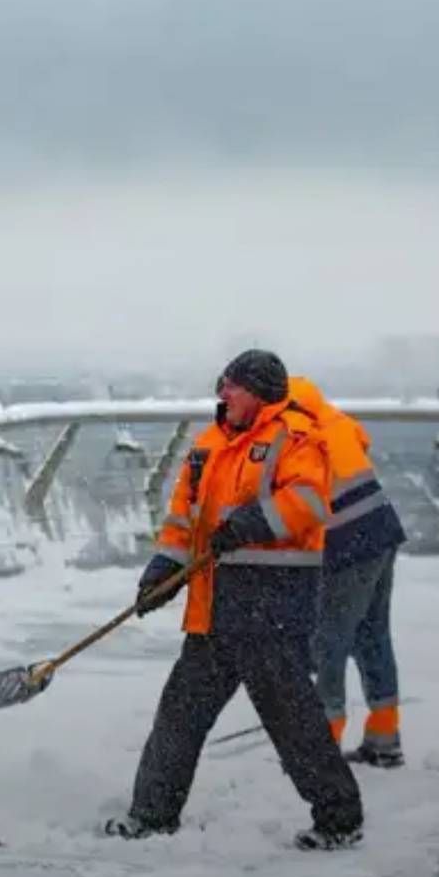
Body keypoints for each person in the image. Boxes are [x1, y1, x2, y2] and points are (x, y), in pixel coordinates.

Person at [107, 349, 364, 850]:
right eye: (222, 384)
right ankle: (152, 815)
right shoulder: (208, 447)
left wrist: (251, 524)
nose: (223, 393)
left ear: (260, 391)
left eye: (233, 386)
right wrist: (165, 569)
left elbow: (309, 501)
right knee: (180, 711)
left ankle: (339, 819)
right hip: (215, 608)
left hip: (272, 608)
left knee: (291, 719)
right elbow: (184, 520)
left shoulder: (295, 436)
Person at [288, 375, 409, 767]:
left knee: (327, 642)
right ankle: (384, 735)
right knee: (372, 635)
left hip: (348, 547)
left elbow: (294, 502)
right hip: (381, 531)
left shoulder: (296, 433)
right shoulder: (334, 419)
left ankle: (322, 745)